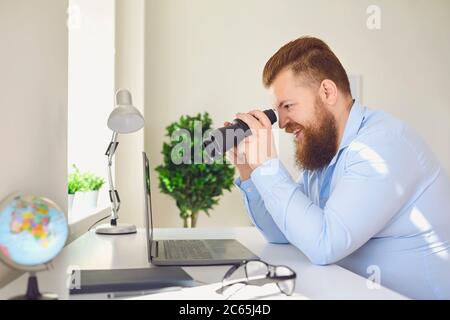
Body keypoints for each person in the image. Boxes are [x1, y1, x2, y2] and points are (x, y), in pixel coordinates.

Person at [226, 36, 450, 299]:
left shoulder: (381, 146)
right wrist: (248, 169)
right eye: (277, 111)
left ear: (327, 92)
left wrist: (267, 165)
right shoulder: (323, 151)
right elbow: (281, 233)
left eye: (288, 106)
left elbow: (324, 245)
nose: (282, 122)